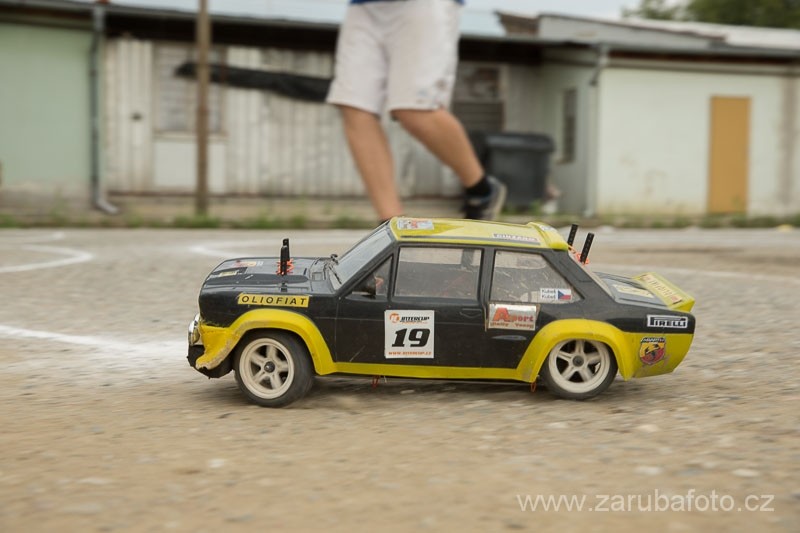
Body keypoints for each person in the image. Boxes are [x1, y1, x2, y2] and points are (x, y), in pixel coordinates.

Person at [326, 0, 506, 222]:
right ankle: (391, 222)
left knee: (415, 110)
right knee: (354, 105)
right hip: (363, 7)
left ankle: (481, 190)